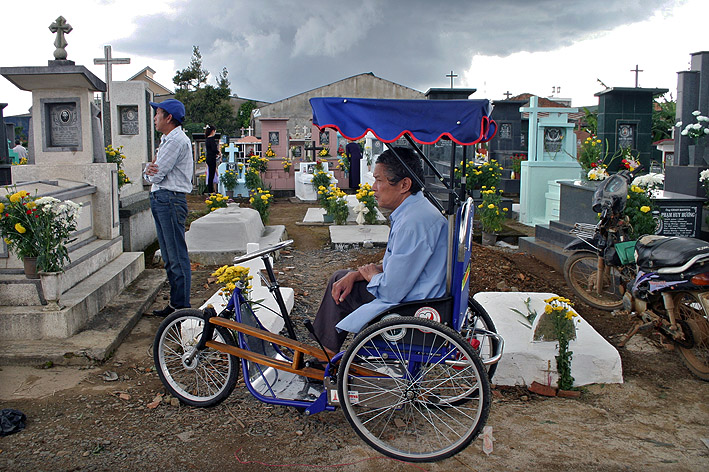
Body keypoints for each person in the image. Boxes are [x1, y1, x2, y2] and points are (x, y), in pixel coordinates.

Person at [311, 147, 448, 354]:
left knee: (339, 287)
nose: (373, 187)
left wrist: (373, 275)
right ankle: (324, 353)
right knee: (344, 278)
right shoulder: (414, 211)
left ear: (404, 184)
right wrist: (358, 275)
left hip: (409, 306)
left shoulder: (413, 222)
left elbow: (392, 291)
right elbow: (402, 264)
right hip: (413, 293)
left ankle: (323, 359)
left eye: (379, 180)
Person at [143, 99, 193, 316]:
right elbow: (149, 173)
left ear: (168, 118)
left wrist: (149, 171)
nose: (155, 118)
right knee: (169, 255)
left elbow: (157, 173)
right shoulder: (167, 140)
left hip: (169, 199)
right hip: (163, 197)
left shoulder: (174, 142)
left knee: (175, 256)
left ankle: (181, 307)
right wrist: (148, 170)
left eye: (158, 113)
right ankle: (175, 304)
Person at [203, 125, 220, 194]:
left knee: (211, 174)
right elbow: (214, 149)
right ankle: (211, 190)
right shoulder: (211, 139)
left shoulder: (207, 139)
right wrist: (218, 152)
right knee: (212, 175)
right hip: (211, 158)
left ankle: (210, 190)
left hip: (209, 158)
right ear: (213, 131)